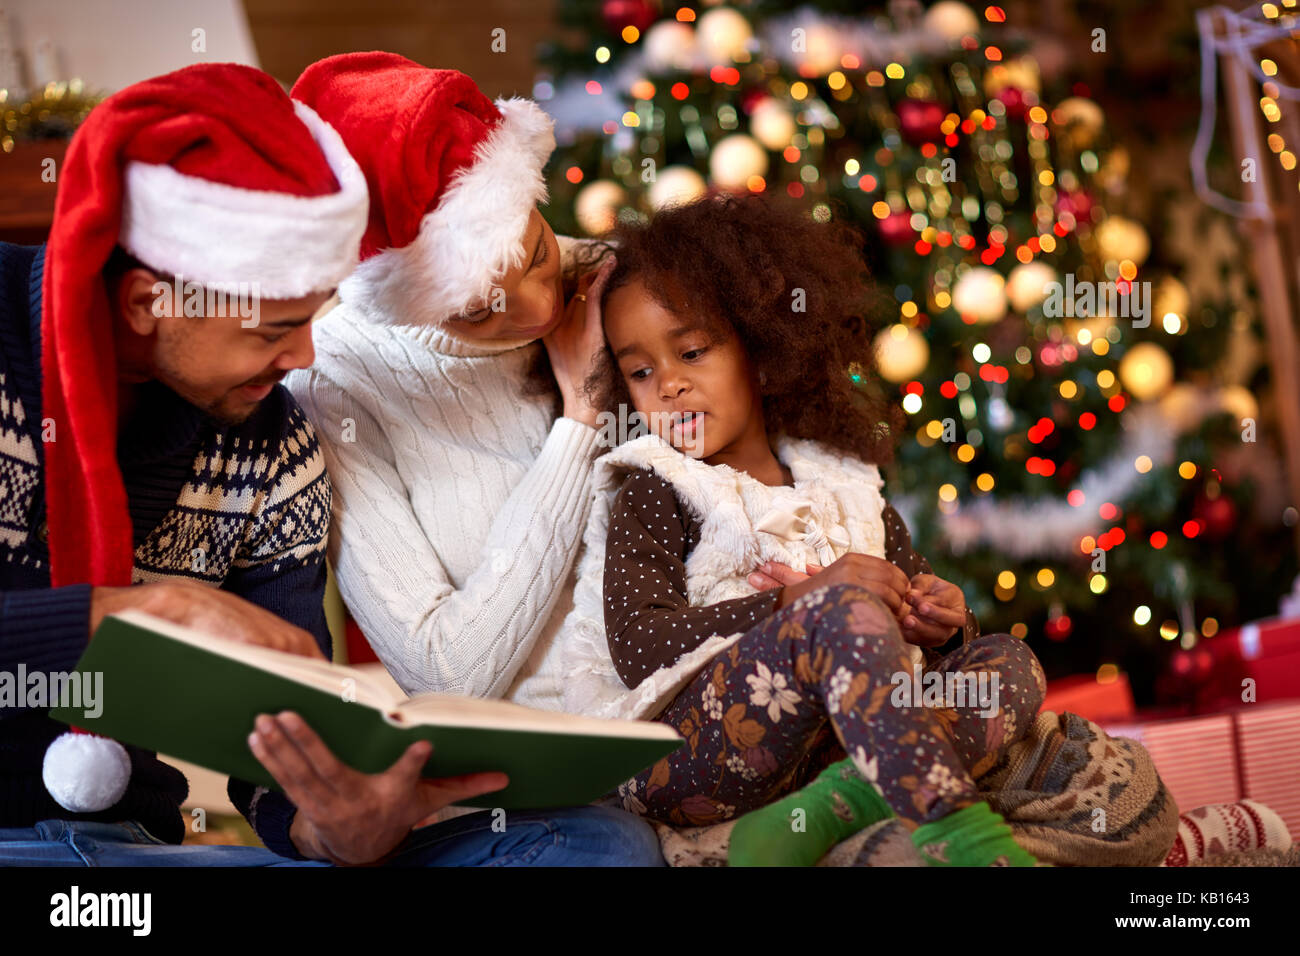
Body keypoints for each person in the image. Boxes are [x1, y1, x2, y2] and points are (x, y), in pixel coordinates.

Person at [0, 62, 662, 867]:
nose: (304, 356)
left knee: (593, 844)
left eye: (314, 317)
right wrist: (117, 617)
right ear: (150, 303)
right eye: (274, 326)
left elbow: (282, 754)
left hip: (135, 858)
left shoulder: (271, 443)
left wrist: (335, 825)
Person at [556, 194, 1049, 867]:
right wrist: (796, 601)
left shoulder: (842, 480)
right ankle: (958, 832)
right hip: (689, 759)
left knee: (1006, 663)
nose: (668, 384)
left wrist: (938, 617)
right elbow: (641, 645)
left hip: (829, 749)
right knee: (838, 611)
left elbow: (911, 589)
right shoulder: (653, 485)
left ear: (760, 350)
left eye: (692, 351)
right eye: (640, 371)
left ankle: (843, 801)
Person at [285, 53, 615, 708]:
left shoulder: (616, 276)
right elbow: (445, 676)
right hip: (541, 763)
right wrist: (580, 423)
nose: (541, 311)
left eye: (540, 254)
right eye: (475, 310)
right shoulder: (336, 379)